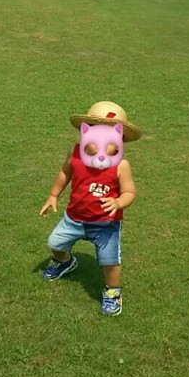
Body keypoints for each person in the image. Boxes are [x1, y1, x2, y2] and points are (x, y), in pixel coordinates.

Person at [39, 101, 141, 316]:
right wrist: (53, 195)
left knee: (110, 261)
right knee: (55, 242)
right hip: (74, 218)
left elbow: (130, 192)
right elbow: (65, 173)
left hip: (106, 225)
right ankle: (64, 262)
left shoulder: (121, 165)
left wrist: (118, 202)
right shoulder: (75, 153)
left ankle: (113, 292)